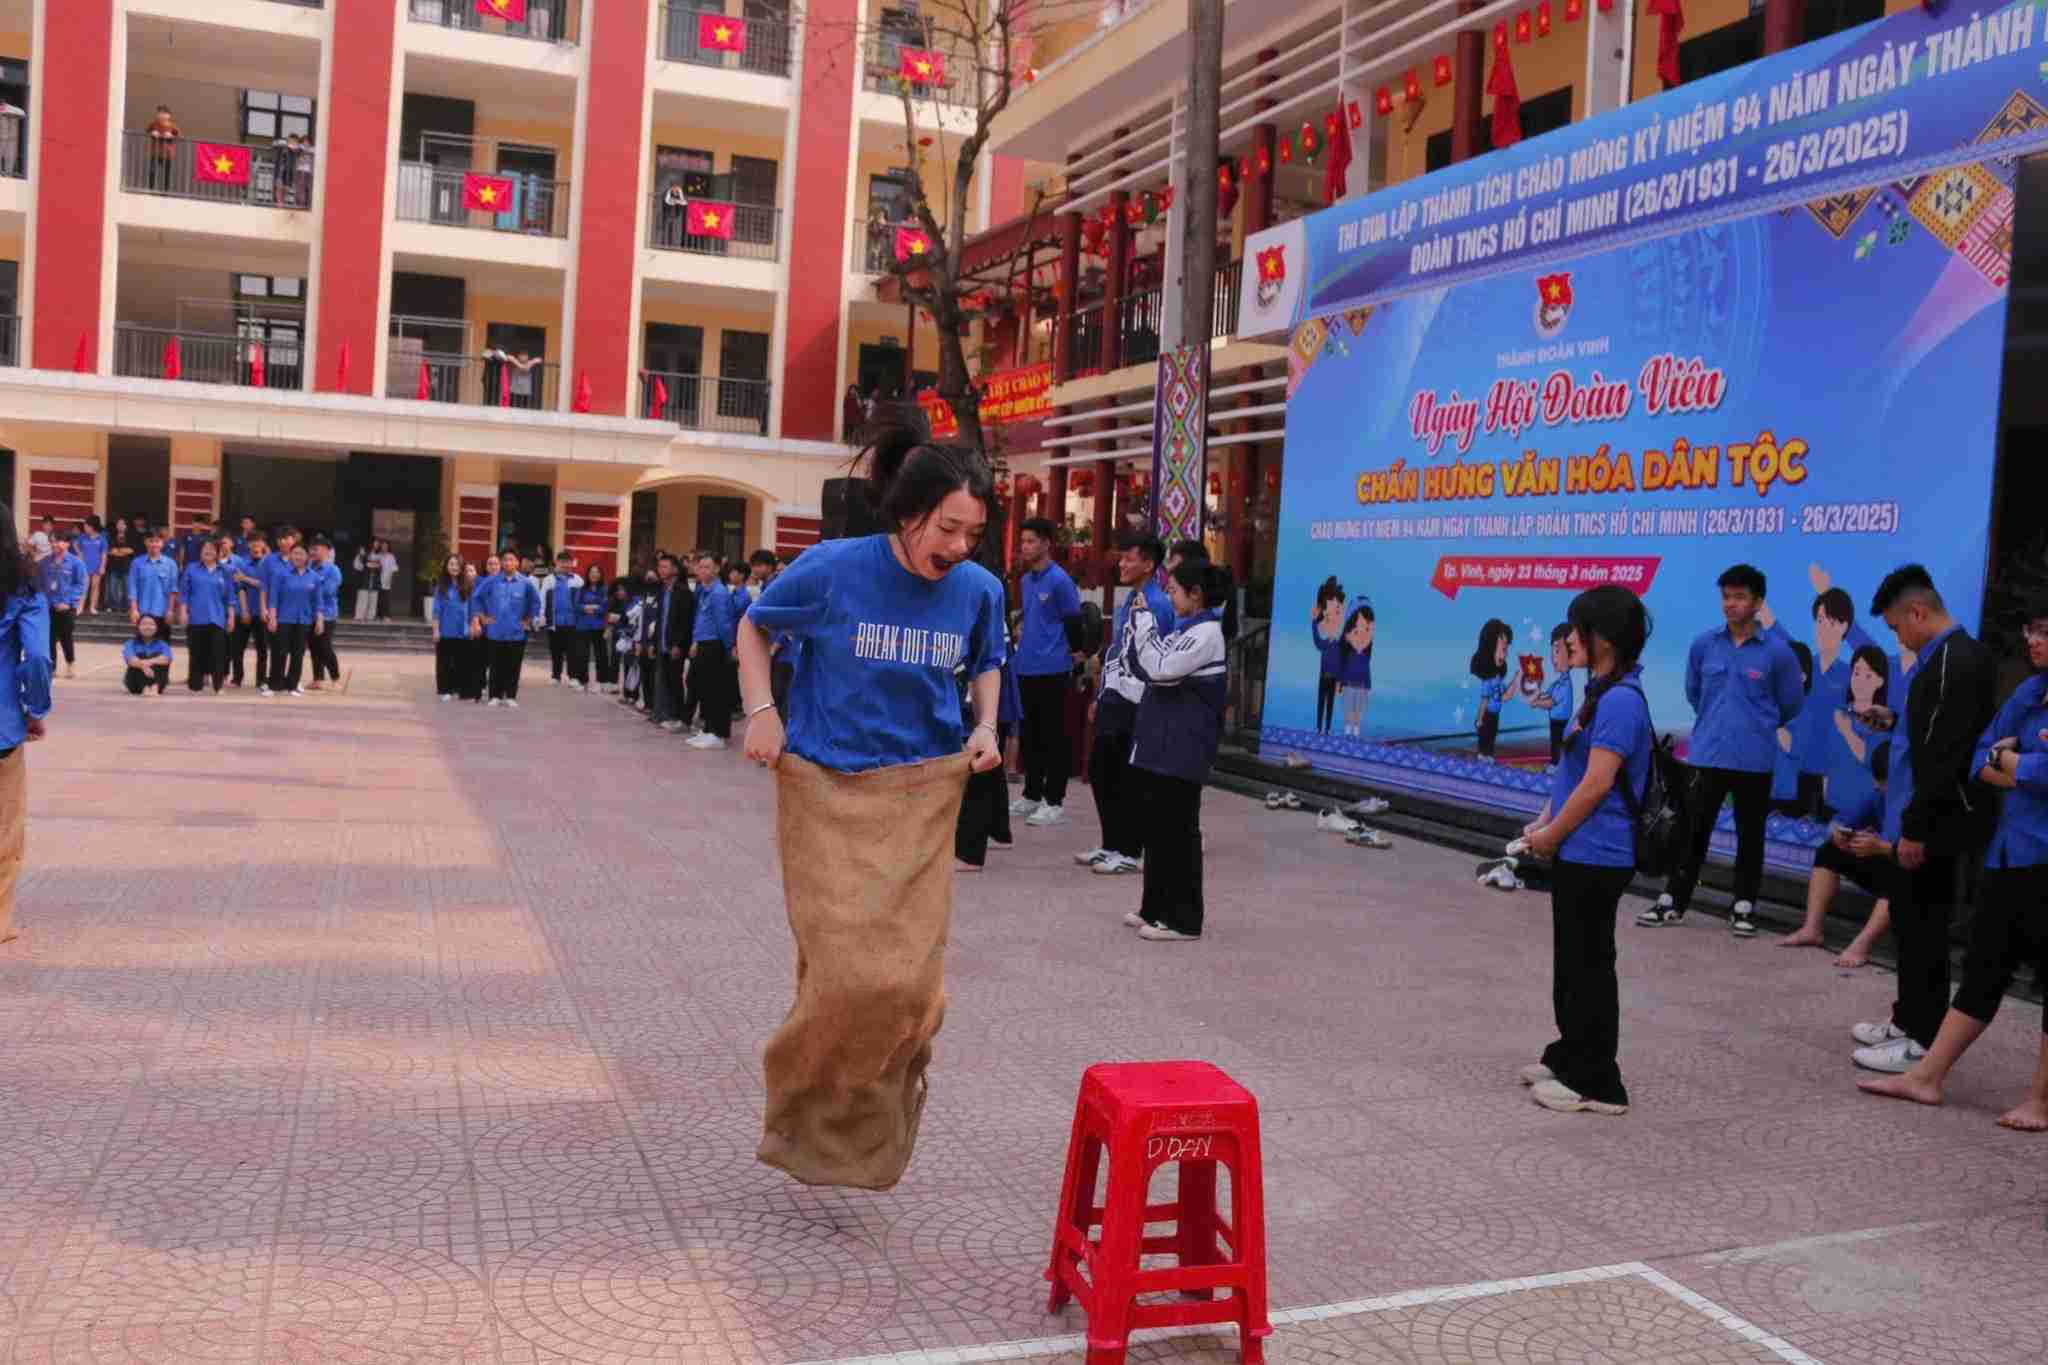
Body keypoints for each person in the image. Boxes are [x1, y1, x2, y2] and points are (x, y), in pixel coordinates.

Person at [736, 418, 1006, 1191]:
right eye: (947, 527)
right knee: (848, 978)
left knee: (913, 990)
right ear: (906, 511)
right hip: (826, 794)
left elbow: (988, 661)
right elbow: (755, 628)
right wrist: (762, 710)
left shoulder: (978, 591)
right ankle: (801, 1114)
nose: (958, 546)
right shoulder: (830, 570)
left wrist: (985, 726)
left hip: (921, 801)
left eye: (974, 533)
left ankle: (870, 1124)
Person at [1858, 603, 2048, 1127]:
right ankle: (1928, 1076)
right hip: (2012, 851)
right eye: (2032, 626)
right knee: (1985, 964)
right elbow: (1979, 757)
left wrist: (2017, 765)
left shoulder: (1963, 664)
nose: (2034, 640)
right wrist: (2014, 766)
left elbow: (2010, 764)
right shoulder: (2030, 693)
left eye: (2045, 632)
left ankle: (2041, 1099)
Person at [1847, 564, 1998, 1074]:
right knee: (1909, 925)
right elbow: (1925, 736)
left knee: (1925, 929)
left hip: (1931, 823)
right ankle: (1906, 1017)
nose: (1898, 637)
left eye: (1896, 627)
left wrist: (1916, 829)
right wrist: (1890, 721)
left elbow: (1944, 755)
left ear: (1917, 611)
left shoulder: (1955, 662)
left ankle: (1920, 1037)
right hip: (1914, 815)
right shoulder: (1937, 661)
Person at [1517, 585, 1655, 1116]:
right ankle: (1570, 1053)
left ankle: (1599, 1081)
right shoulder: (1599, 691)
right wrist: (1545, 822)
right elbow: (1572, 775)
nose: (1570, 638)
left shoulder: (1620, 701)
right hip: (1579, 847)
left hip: (1601, 852)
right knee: (1571, 963)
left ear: (1606, 639)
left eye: (1580, 630)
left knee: (1590, 965)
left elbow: (1598, 784)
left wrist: (1553, 835)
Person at [1640, 565, 1805, 936]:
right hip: (1707, 755)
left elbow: (1791, 704)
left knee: (1750, 836)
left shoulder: (1778, 654)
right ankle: (1673, 901)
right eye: (1726, 596)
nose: (1731, 604)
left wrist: (1754, 725)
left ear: (1758, 602)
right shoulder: (1704, 645)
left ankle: (1744, 906)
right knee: (1693, 830)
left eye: (1740, 597)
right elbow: (1694, 693)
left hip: (1754, 759)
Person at [1120, 558, 1233, 942]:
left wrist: (1147, 625)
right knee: (1157, 829)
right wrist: (1141, 627)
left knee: (1178, 832)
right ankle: (1155, 906)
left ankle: (1183, 919)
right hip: (1160, 747)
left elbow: (1162, 669)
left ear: (1196, 594)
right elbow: (1140, 664)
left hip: (1183, 749)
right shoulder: (1186, 629)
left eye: (1173, 591)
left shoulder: (1207, 635)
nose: (1168, 598)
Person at [1077, 532, 1172, 875]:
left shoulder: (1157, 603)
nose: (1122, 563)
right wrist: (1101, 694)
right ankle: (1110, 843)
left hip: (1138, 702)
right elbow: (1117, 651)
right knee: (1103, 771)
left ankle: (1129, 850)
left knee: (1125, 776)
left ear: (1148, 564)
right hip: (1114, 698)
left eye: (1129, 558)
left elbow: (1154, 656)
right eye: (1122, 558)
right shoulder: (1130, 599)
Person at [1779, 741, 1895, 966]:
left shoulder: (1919, 800)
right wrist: (1838, 834)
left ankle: (1862, 944)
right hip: (1885, 860)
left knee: (1902, 874)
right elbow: (1838, 822)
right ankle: (1812, 929)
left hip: (1914, 875)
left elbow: (1922, 853)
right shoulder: (1877, 795)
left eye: (1885, 782)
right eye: (1879, 780)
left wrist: (1881, 848)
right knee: (1829, 851)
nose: (1879, 787)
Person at [0, 509, 49, 947]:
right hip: (2, 727)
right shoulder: (24, 588)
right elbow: (35, 657)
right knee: (6, 827)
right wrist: (35, 709)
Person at [1012, 517, 1081, 827]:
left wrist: (1077, 657)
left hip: (1053, 668)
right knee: (1030, 735)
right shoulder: (1026, 581)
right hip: (1026, 666)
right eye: (1023, 541)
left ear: (1046, 544)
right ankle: (1031, 794)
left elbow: (1074, 622)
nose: (1024, 547)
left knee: (1053, 736)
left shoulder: (1060, 581)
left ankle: (1054, 801)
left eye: (1030, 541)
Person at [684, 554, 744, 750]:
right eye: (700, 567)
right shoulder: (704, 591)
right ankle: (708, 729)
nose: (702, 571)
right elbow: (701, 620)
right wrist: (695, 641)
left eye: (707, 567)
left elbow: (724, 624)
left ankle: (718, 733)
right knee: (704, 689)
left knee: (716, 690)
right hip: (704, 643)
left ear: (717, 569)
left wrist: (728, 647)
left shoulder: (718, 593)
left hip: (715, 645)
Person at [474, 551, 540, 707]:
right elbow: (477, 598)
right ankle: (494, 696)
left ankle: (511, 696)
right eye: (505, 560)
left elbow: (535, 603)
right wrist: (483, 618)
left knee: (513, 665)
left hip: (516, 632)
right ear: (502, 563)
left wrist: (528, 620)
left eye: (511, 559)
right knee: (495, 665)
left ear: (517, 563)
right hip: (495, 631)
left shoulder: (526, 583)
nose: (508, 562)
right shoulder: (491, 581)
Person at [178, 539, 234, 693]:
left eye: (211, 549)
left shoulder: (226, 571)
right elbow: (184, 593)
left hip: (217, 618)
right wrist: (183, 611)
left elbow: (230, 597)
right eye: (205, 549)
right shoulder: (191, 568)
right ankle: (195, 684)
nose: (208, 552)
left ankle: (218, 685)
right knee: (196, 652)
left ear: (218, 552)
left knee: (218, 653)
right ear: (200, 552)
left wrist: (231, 617)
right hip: (196, 617)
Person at [265, 543, 320, 697]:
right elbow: (273, 598)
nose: (298, 557)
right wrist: (272, 617)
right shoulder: (280, 574)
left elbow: (317, 601)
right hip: (284, 619)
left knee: (298, 653)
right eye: (295, 553)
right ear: (290, 556)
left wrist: (319, 619)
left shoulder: (314, 576)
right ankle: (275, 685)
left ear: (307, 557)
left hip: (304, 620)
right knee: (279, 652)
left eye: (301, 554)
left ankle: (293, 685)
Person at [648, 552, 695, 729]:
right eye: (660, 567)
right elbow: (660, 619)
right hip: (661, 642)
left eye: (665, 566)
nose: (661, 570)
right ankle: (664, 713)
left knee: (675, 681)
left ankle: (677, 716)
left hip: (675, 645)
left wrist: (677, 644)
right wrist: (654, 642)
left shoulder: (683, 592)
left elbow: (685, 622)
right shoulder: (663, 590)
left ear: (675, 569)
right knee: (665, 679)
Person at [38, 531, 86, 681]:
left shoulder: (76, 563)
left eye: (58, 541)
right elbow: (39, 584)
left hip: (66, 606)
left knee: (66, 636)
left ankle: (70, 663)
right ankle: (51, 668)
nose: (54, 545)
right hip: (48, 606)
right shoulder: (44, 562)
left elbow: (80, 584)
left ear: (67, 544)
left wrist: (69, 602)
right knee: (49, 637)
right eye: (52, 541)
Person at [1529, 623, 1574, 770]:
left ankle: (1558, 766)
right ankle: (1555, 764)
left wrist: (1537, 703)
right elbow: (1545, 695)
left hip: (1562, 722)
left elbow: (1550, 702)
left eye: (1557, 651)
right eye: (1553, 651)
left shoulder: (1565, 685)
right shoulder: (1557, 684)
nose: (1553, 657)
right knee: (1555, 742)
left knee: (1559, 744)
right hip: (1555, 720)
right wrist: (1537, 690)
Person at [229, 532, 271, 689]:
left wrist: (245, 579)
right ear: (248, 545)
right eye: (252, 542)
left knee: (262, 649)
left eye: (259, 542)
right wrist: (245, 610)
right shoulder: (241, 563)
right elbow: (239, 587)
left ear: (264, 544)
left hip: (262, 612)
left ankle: (261, 680)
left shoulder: (268, 564)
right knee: (237, 648)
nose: (255, 545)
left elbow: (265, 586)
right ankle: (237, 678)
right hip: (244, 611)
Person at [542, 551, 588, 689]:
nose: (565, 565)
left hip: (573, 622)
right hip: (555, 622)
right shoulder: (549, 580)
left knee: (572, 651)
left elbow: (583, 600)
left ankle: (573, 677)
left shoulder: (578, 580)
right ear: (557, 563)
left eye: (568, 562)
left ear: (571, 563)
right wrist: (541, 616)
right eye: (562, 562)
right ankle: (556, 676)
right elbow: (542, 598)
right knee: (556, 650)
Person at [1470, 618, 1512, 760]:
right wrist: (1479, 719)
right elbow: (1484, 700)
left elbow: (1505, 696)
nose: (1505, 654)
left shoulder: (1499, 680)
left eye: (1506, 650)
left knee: (1492, 735)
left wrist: (1518, 679)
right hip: (1487, 714)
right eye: (1503, 649)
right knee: (1485, 736)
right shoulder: (1488, 681)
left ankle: (1488, 755)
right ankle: (1483, 755)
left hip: (1495, 714)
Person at [429, 555, 470, 700]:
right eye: (451, 564)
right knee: (444, 663)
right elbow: (436, 610)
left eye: (457, 564)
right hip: (445, 630)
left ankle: (457, 688)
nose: (454, 567)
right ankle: (444, 690)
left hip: (463, 631)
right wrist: (436, 630)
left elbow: (471, 608)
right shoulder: (441, 587)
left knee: (461, 662)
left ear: (461, 567)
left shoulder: (467, 585)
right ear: (446, 567)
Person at [126, 530, 180, 635]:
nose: (154, 544)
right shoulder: (137, 563)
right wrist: (134, 609)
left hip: (162, 613)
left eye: (157, 541)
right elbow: (133, 588)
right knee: (142, 648)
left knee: (161, 648)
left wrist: (170, 610)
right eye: (151, 541)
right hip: (142, 612)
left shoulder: (171, 564)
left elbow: (173, 589)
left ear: (162, 543)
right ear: (145, 542)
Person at [305, 537, 342, 689]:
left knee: (324, 646)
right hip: (309, 614)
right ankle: (318, 678)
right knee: (313, 647)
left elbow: (328, 591)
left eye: (316, 549)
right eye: (311, 549)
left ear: (326, 551)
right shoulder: (308, 567)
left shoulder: (333, 570)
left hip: (327, 614)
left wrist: (309, 586)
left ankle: (335, 678)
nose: (313, 552)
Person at [1310, 576, 1344, 735]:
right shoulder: (1326, 642)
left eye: (1338, 611)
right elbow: (1317, 642)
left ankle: (1328, 728)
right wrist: (1313, 623)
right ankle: (1319, 727)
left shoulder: (1338, 644)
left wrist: (1340, 681)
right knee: (1321, 702)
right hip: (1323, 676)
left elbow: (1341, 662)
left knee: (1330, 703)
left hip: (1333, 677)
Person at [581, 563, 614, 692]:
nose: (594, 574)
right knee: (583, 655)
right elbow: (577, 604)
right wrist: (584, 607)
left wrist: (594, 608)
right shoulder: (583, 589)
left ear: (601, 575)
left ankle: (602, 681)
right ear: (588, 574)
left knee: (601, 655)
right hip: (584, 626)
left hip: (600, 626)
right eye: (592, 572)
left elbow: (606, 606)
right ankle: (583, 681)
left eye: (597, 572)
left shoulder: (605, 590)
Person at [123, 614, 174, 695]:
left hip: (158, 682)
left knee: (159, 658)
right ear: (138, 627)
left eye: (151, 624)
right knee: (141, 656)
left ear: (156, 627)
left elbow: (167, 659)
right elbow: (130, 660)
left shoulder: (162, 644)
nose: (148, 627)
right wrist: (143, 666)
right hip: (135, 684)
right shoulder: (131, 643)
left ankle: (155, 687)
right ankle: (145, 687)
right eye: (144, 624)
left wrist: (149, 662)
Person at [460, 559, 489, 702]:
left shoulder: (482, 585)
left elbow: (481, 606)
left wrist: (476, 622)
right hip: (462, 627)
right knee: (465, 660)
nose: (469, 573)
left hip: (478, 627)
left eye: (472, 570)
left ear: (476, 572)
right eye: (466, 571)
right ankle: (465, 689)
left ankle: (477, 689)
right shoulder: (460, 586)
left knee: (478, 660)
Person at [104, 517, 136, 615]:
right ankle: (112, 606)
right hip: (113, 566)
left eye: (123, 524)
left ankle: (125, 607)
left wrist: (118, 551)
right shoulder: (111, 536)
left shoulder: (131, 537)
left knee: (127, 587)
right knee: (112, 587)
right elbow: (110, 551)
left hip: (126, 566)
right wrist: (123, 551)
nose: (121, 526)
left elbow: (131, 550)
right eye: (119, 524)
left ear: (126, 526)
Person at [76, 517, 107, 614]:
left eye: (86, 526)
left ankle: (92, 607)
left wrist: (102, 566)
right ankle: (80, 606)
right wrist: (79, 555)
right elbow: (76, 545)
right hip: (84, 565)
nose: (84, 527)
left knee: (95, 586)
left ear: (92, 527)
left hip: (97, 566)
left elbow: (104, 554)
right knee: (84, 586)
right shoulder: (82, 537)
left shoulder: (102, 538)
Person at [145, 104, 179, 192]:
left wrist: (171, 136)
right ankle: (151, 189)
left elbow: (178, 135)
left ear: (168, 115)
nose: (161, 115)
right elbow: (147, 131)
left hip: (167, 154)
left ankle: (165, 191)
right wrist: (152, 133)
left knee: (166, 174)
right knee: (152, 171)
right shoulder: (153, 124)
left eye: (164, 113)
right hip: (155, 152)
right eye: (160, 113)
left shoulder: (171, 126)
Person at [352, 542, 382, 621]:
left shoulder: (379, 555)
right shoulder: (362, 556)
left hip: (374, 579)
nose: (376, 546)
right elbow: (358, 567)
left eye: (377, 544)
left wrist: (371, 564)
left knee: (373, 598)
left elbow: (379, 566)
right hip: (364, 579)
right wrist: (368, 563)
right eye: (374, 544)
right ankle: (359, 616)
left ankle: (370, 616)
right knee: (362, 597)